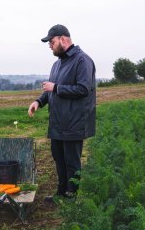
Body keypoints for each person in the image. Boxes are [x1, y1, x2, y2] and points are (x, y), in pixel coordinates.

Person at [28, 24, 96, 201]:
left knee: (72, 162)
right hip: (57, 121)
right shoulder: (56, 64)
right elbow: (50, 90)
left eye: (51, 42)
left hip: (74, 121)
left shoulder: (83, 60)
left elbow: (83, 89)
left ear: (63, 39)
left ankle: (71, 195)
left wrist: (56, 87)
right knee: (58, 158)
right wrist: (38, 101)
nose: (50, 46)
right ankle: (61, 192)